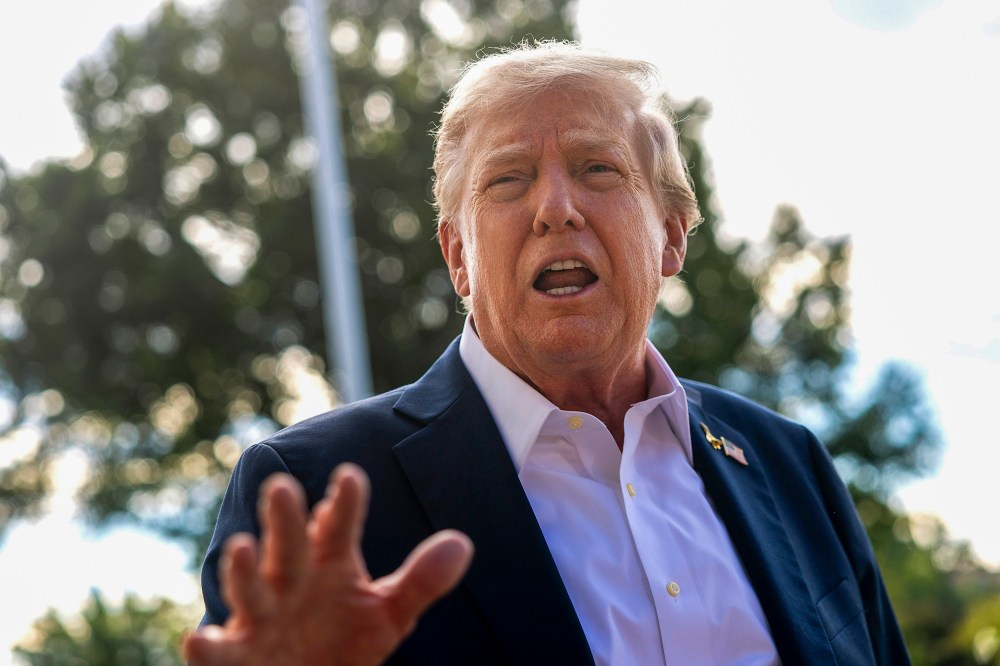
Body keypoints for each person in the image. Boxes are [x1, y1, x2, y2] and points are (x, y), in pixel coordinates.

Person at [184, 41, 909, 665]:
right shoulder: (312, 489)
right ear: (458, 254)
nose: (555, 207)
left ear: (672, 234)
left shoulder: (790, 463)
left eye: (598, 169)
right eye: (509, 179)